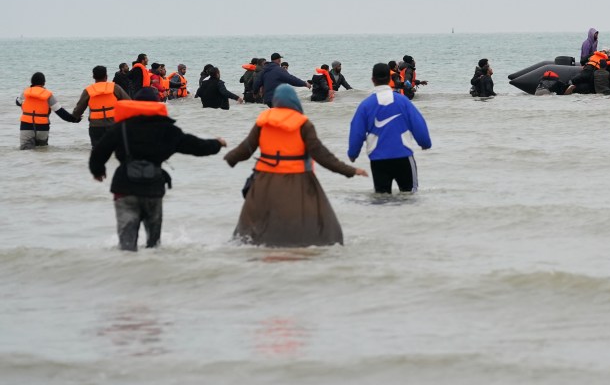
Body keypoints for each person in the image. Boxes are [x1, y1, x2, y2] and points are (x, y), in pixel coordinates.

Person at [224, 84, 366, 246]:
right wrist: (350, 170)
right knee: (320, 230)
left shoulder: (263, 121)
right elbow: (322, 155)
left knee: (254, 230)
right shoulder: (303, 124)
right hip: (298, 182)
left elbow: (246, 149)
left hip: (264, 182)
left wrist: (229, 158)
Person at [89, 87, 225, 251]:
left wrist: (97, 171)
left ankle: (126, 272)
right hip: (153, 187)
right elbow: (195, 146)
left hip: (124, 188)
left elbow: (99, 151)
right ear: (156, 105)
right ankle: (152, 271)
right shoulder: (167, 129)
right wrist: (217, 144)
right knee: (154, 245)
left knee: (126, 245)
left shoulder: (122, 127)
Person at [348, 63, 432, 194]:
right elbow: (418, 123)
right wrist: (425, 143)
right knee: (410, 195)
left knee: (382, 198)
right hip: (403, 156)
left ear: (372, 80)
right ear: (390, 79)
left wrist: (353, 154)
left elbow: (356, 131)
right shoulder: (403, 101)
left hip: (378, 159)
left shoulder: (365, 105)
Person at [17, 72, 81, 149]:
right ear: (44, 83)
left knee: (25, 151)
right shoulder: (48, 95)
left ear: (31, 82)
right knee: (42, 151)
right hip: (42, 127)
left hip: (26, 126)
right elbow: (60, 112)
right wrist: (74, 119)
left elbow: (18, 102)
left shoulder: (25, 93)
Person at [72, 65, 132, 146]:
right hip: (113, 125)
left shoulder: (88, 91)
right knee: (114, 149)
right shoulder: (115, 88)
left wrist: (75, 118)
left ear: (93, 76)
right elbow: (129, 103)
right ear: (106, 76)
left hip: (96, 127)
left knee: (97, 152)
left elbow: (78, 110)